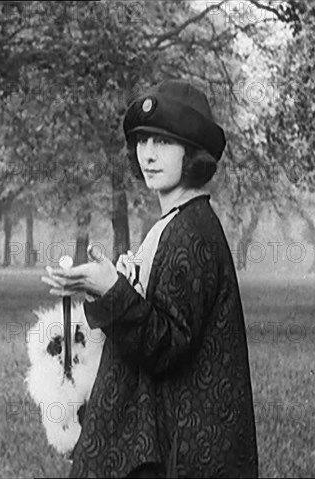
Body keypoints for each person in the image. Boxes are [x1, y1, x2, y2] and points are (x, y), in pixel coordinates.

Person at [42, 79, 258, 478]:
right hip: (166, 437)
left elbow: (165, 345)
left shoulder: (190, 233)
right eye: (143, 142)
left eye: (164, 142)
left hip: (181, 452)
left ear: (192, 153)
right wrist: (103, 287)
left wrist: (114, 291)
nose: (149, 155)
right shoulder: (177, 223)